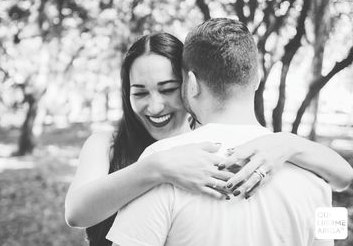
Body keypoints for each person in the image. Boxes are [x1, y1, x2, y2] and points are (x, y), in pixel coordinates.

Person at [65, 32, 353, 245]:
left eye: (167, 89)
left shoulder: (274, 157)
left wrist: (290, 143)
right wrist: (155, 167)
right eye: (139, 92)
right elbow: (76, 214)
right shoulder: (107, 144)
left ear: (191, 84)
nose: (154, 106)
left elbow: (344, 177)